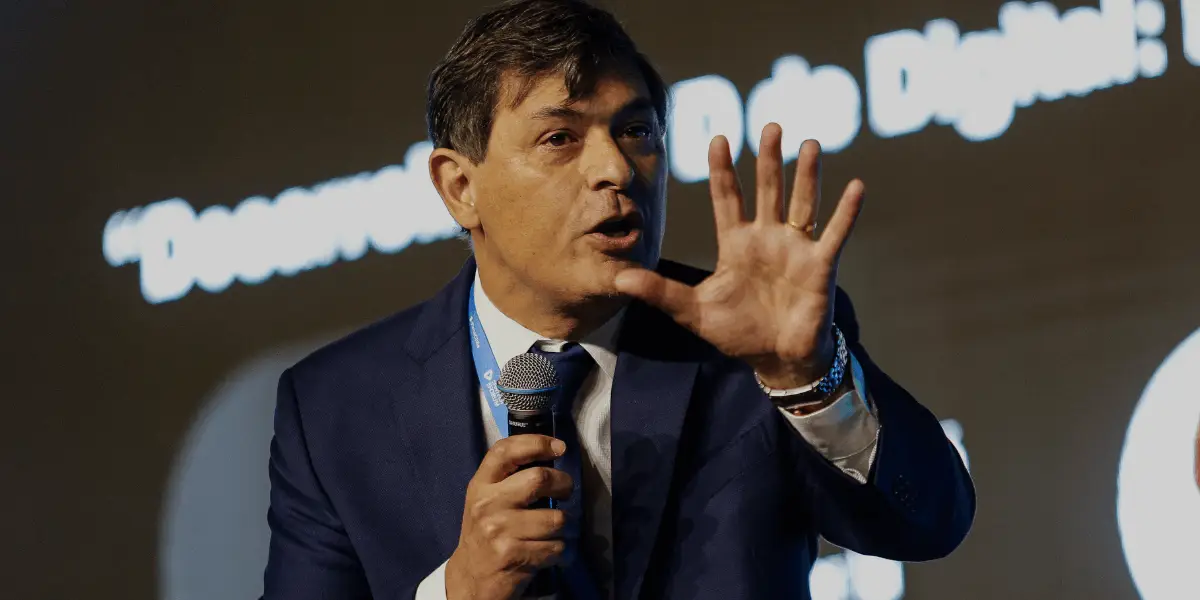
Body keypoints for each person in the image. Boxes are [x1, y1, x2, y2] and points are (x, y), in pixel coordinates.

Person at [261, 1, 975, 598]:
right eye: (559, 138)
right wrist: (457, 591)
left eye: (636, 132)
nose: (615, 168)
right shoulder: (333, 409)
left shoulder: (753, 345)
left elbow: (928, 524)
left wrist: (804, 377)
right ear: (460, 187)